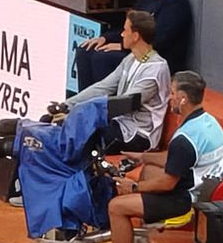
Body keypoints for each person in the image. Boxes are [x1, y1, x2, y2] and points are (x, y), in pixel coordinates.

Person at [95, 69, 223, 243]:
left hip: (185, 199)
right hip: (202, 188)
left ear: (183, 99)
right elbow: (175, 159)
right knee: (149, 170)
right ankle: (140, 242)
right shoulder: (207, 123)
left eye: (173, 93)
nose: (170, 98)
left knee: (117, 207)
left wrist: (133, 187)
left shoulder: (185, 138)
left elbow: (168, 183)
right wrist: (143, 157)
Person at [75, 0, 192, 87]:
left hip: (156, 58)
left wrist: (123, 46)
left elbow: (159, 40)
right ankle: (85, 103)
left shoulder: (176, 2)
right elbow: (129, 26)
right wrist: (105, 38)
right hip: (133, 48)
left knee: (102, 58)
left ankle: (105, 105)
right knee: (85, 50)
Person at [66, 10, 171, 152]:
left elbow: (126, 103)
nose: (121, 34)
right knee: (70, 128)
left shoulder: (156, 69)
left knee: (81, 137)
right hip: (119, 124)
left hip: (139, 134)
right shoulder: (131, 59)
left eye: (125, 30)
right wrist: (67, 105)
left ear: (135, 36)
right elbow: (103, 87)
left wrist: (81, 112)